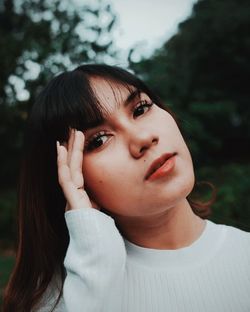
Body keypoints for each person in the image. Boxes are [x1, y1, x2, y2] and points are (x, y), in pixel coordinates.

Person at [3, 64, 250, 312]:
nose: (142, 139)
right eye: (99, 140)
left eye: (141, 109)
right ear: (67, 176)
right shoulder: (59, 301)